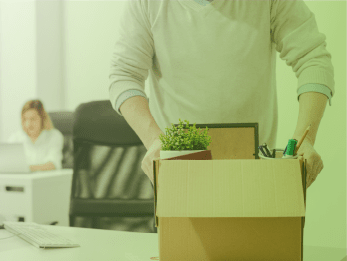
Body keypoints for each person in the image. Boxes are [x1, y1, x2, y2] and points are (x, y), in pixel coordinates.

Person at [109, 0, 334, 189]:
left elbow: (312, 58)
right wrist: (154, 140)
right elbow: (124, 74)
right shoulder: (147, 3)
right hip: (177, 173)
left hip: (253, 173)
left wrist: (306, 139)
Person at [8, 100, 64, 171]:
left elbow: (53, 164)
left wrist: (26, 169)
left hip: (45, 180)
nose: (28, 124)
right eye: (25, 119)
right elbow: (7, 162)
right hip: (22, 180)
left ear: (42, 119)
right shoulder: (16, 138)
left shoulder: (54, 136)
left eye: (33, 119)